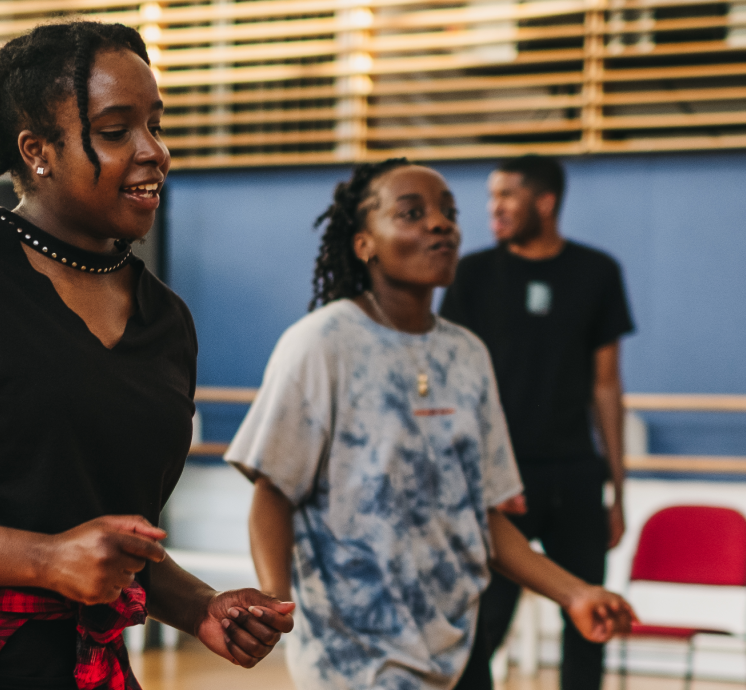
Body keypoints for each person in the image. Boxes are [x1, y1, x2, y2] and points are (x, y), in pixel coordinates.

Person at [0, 21, 294, 690]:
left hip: (79, 664)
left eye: (155, 125)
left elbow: (108, 543)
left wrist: (199, 607)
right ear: (36, 151)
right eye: (116, 131)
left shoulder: (165, 322)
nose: (154, 151)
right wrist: (44, 559)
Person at [228, 158, 633, 690]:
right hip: (356, 656)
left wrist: (575, 593)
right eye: (412, 213)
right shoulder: (321, 344)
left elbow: (483, 519)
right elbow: (273, 493)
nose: (441, 224)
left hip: (457, 650)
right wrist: (275, 600)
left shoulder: (467, 356)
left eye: (448, 212)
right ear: (364, 244)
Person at [440, 155, 635, 690]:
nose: (494, 208)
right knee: (487, 622)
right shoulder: (472, 274)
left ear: (545, 202)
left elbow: (606, 386)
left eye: (507, 195)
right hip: (500, 478)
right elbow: (451, 377)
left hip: (575, 474)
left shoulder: (597, 272)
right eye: (491, 197)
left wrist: (618, 490)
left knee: (589, 622)